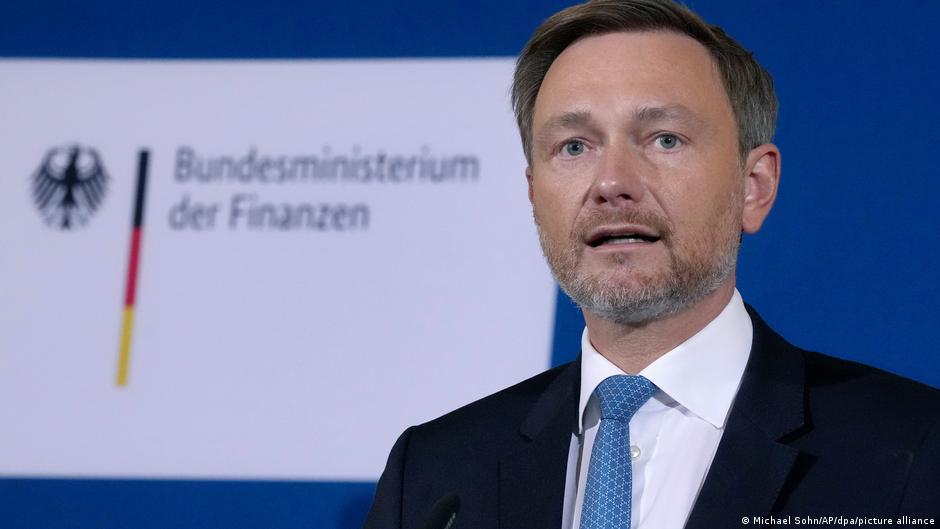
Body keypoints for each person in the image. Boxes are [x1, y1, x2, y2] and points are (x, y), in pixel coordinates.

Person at [363, 1, 940, 528]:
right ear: (534, 193)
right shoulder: (434, 473)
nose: (612, 183)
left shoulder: (914, 451)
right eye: (574, 146)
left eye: (664, 139)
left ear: (753, 186)